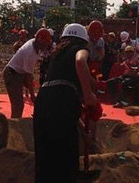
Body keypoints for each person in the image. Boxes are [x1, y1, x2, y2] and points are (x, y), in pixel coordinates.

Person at [33, 23, 97, 183]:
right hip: (62, 100)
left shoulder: (57, 56)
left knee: (44, 158)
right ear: (83, 40)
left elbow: (65, 111)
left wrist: (82, 130)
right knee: (66, 158)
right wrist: (88, 95)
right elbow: (80, 61)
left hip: (43, 101)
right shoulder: (80, 49)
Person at [3, 28, 52, 118]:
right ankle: (14, 125)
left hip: (18, 73)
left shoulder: (35, 43)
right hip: (12, 74)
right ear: (40, 41)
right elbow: (28, 76)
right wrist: (32, 95)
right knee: (18, 105)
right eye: (45, 44)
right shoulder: (30, 53)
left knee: (18, 104)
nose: (45, 46)